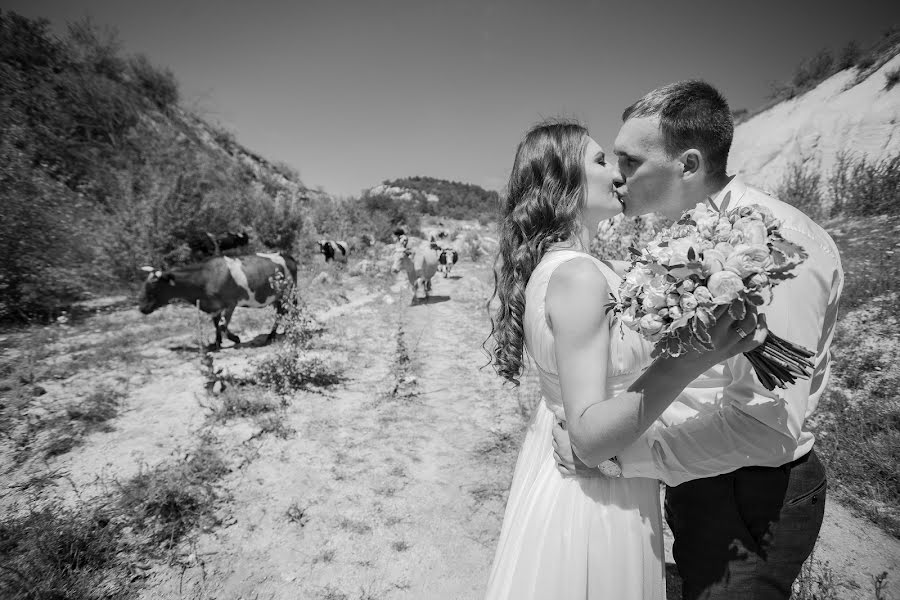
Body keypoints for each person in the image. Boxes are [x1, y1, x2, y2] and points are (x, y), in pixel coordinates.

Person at [551, 80, 844, 600]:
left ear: (688, 165)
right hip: (702, 478)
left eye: (630, 161)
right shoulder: (682, 237)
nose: (617, 178)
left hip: (751, 496)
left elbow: (766, 427)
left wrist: (623, 457)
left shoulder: (778, 245)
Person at [484, 119, 765, 599]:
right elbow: (589, 439)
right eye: (599, 162)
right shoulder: (578, 277)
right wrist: (694, 356)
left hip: (591, 474)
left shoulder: (579, 270)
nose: (617, 175)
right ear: (561, 183)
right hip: (594, 492)